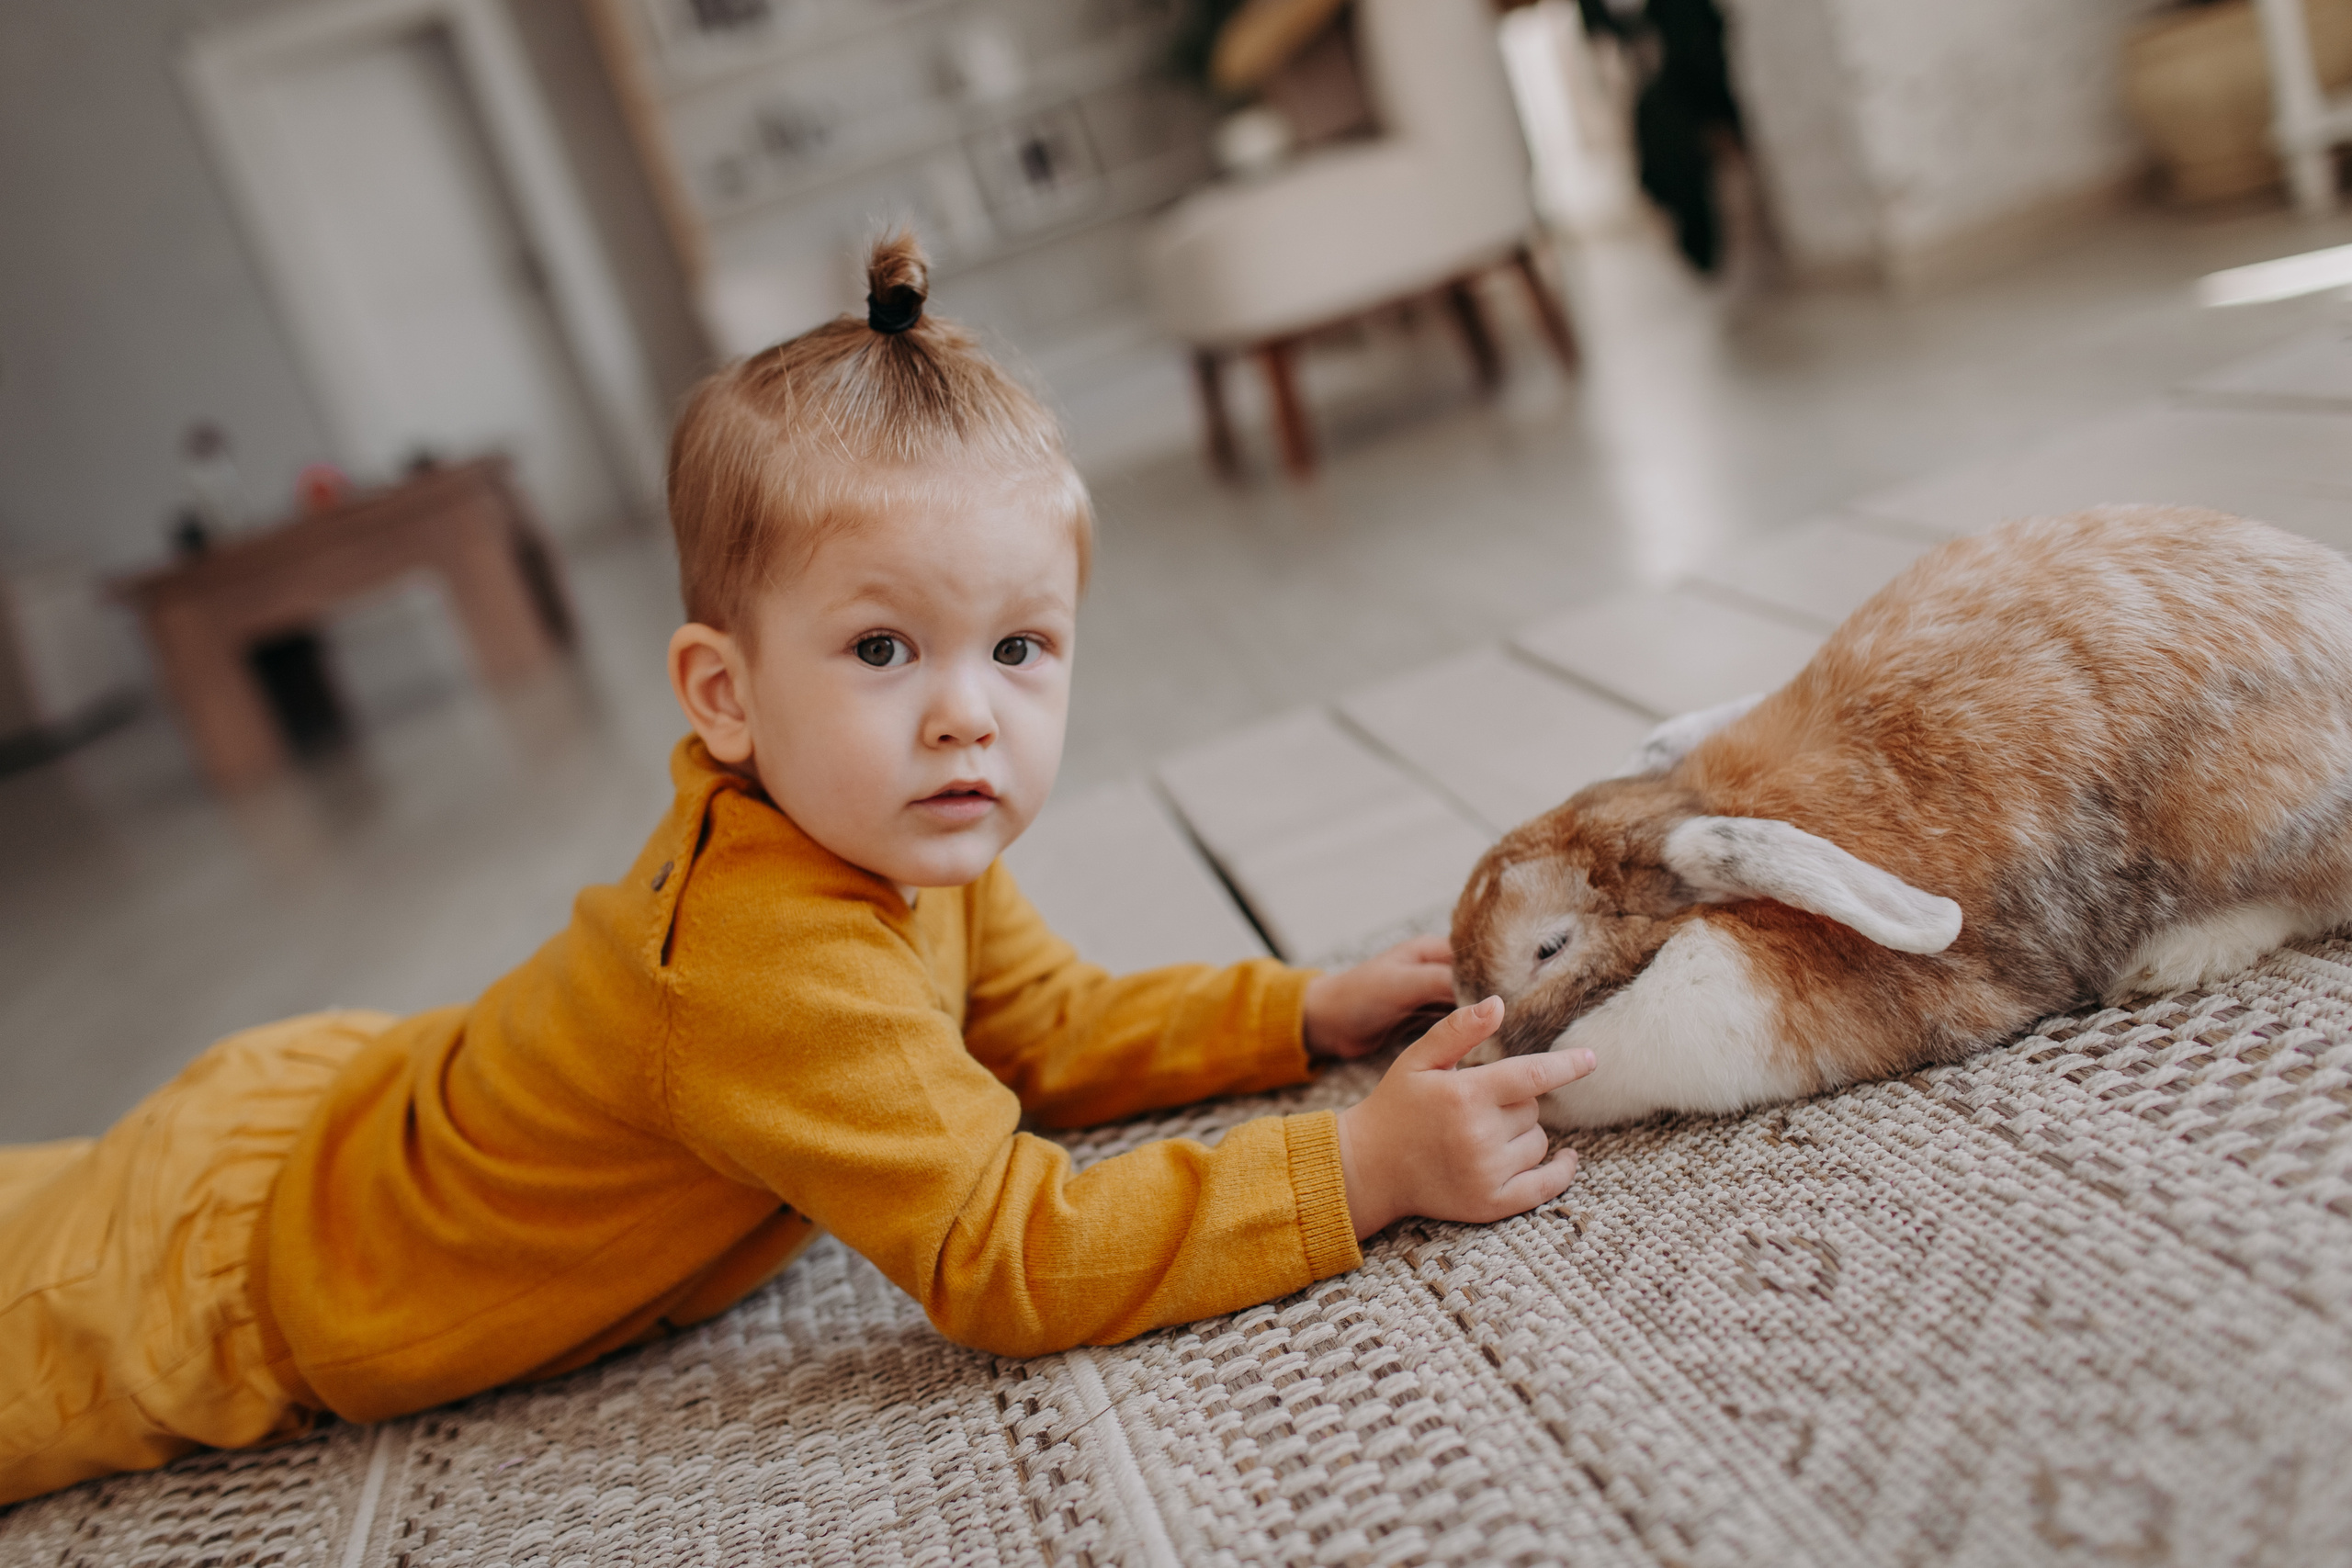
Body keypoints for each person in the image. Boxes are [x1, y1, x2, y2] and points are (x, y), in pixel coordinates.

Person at [0, 235, 1595, 1506]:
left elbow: (1041, 1030)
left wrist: (1294, 1012)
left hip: (352, 1104)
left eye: (1021, 647)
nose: (968, 713)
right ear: (725, 694)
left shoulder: (914, 826)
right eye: (884, 647)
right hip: (237, 1270)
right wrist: (1361, 1170)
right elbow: (1002, 1252)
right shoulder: (768, 959)